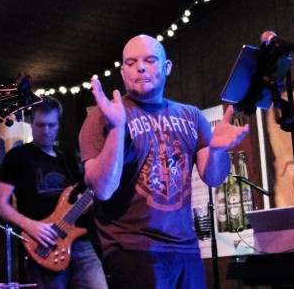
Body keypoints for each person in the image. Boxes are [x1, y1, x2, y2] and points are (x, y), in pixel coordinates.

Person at [79, 34, 249, 289]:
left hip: (185, 247)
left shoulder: (192, 116)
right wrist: (117, 128)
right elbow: (102, 189)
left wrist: (217, 150)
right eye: (131, 62)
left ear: (167, 67)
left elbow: (213, 178)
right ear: (123, 72)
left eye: (149, 60)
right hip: (131, 246)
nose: (141, 67)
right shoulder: (103, 115)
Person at [0, 96, 109, 289]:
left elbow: (82, 199)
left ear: (58, 125)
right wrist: (31, 226)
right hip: (44, 244)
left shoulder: (67, 160)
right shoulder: (18, 157)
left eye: (51, 125)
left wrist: (88, 204)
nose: (46, 131)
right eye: (40, 125)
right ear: (31, 124)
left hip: (79, 241)